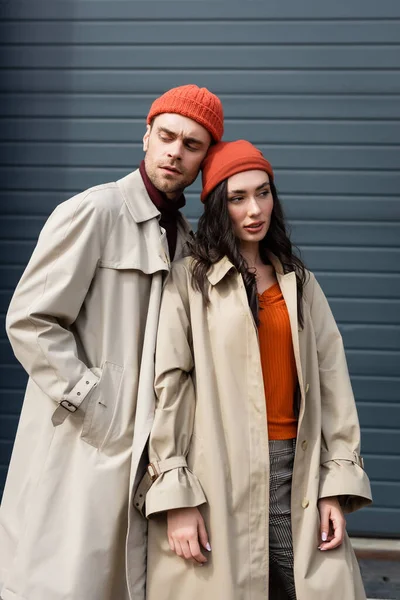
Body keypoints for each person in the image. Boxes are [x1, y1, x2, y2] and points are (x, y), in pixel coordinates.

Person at [0, 85, 224, 600]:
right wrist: (95, 401)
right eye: (166, 136)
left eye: (192, 144)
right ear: (145, 136)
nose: (175, 151)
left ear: (205, 158)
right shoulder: (95, 212)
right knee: (63, 581)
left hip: (145, 455)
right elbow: (30, 319)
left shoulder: (188, 240)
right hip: (86, 443)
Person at [143, 140, 372, 600]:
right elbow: (170, 388)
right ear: (216, 206)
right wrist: (176, 496)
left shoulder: (299, 281)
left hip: (298, 474)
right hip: (217, 478)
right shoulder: (190, 282)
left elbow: (334, 384)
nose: (254, 209)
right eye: (237, 197)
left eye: (263, 193)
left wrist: (335, 484)